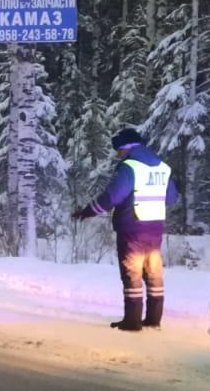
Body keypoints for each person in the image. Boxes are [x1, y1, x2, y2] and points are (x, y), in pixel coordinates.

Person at [72, 128, 178, 331]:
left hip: (132, 227)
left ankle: (132, 321)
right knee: (154, 273)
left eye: (118, 151)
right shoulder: (163, 168)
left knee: (132, 273)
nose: (118, 155)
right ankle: (154, 319)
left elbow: (112, 197)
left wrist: (87, 211)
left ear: (125, 148)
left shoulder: (130, 167)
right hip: (155, 228)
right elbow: (171, 198)